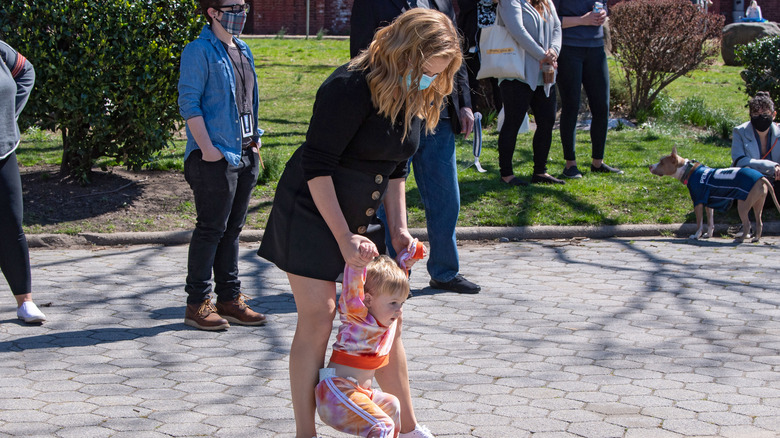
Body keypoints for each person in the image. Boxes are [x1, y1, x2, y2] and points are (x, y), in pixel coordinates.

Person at [258, 9, 462, 437]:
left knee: (388, 316)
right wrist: (343, 236)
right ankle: (304, 432)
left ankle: (408, 426)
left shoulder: (409, 91)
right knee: (319, 315)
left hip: (360, 218)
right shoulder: (349, 86)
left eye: (436, 75)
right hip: (313, 211)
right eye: (424, 70)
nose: (428, 81)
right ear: (404, 53)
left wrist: (400, 229)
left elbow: (396, 168)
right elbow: (317, 165)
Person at [351, 0, 482, 295]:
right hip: (394, 110)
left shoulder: (439, 2)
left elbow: (453, 54)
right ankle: (392, 278)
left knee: (447, 198)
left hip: (439, 114)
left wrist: (464, 103)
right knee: (389, 199)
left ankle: (445, 272)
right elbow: (362, 53)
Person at [177, 0, 266, 331]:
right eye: (232, 7)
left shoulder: (243, 49)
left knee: (233, 231)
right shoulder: (198, 51)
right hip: (215, 158)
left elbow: (249, 99)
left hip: (244, 153)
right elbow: (189, 102)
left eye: (243, 6)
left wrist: (255, 142)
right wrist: (208, 150)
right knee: (211, 229)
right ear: (212, 12)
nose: (241, 13)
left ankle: (229, 300)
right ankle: (197, 303)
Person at [316, 243, 424, 438]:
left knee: (392, 404)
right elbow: (351, 290)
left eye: (401, 303)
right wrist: (358, 264)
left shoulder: (387, 322)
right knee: (383, 426)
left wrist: (406, 263)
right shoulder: (357, 316)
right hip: (335, 391)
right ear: (367, 300)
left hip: (358, 393)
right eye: (393, 304)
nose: (398, 310)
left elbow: (394, 285)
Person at [0, 40, 46, 324]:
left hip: (2, 151)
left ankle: (25, 302)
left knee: (10, 224)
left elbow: (25, 71)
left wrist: (8, 119)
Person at [496, 0, 564, 186]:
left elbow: (557, 27)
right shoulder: (510, 1)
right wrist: (543, 55)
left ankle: (540, 172)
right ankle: (506, 174)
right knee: (513, 122)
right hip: (518, 73)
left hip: (545, 73)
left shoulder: (545, 1)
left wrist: (554, 51)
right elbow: (518, 31)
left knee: (547, 120)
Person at [553, 0, 624, 179]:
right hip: (569, 49)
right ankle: (570, 165)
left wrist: (603, 14)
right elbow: (550, 19)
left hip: (596, 49)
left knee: (602, 106)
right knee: (571, 106)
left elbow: (603, 7)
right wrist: (581, 20)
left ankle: (597, 162)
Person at [457, 0, 503, 115]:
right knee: (472, 81)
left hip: (497, 41)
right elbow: (464, 6)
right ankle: (470, 118)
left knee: (499, 82)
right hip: (473, 41)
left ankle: (504, 118)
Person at [731, 92, 780, 192]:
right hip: (751, 181)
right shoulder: (739, 131)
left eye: (765, 114)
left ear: (774, 115)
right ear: (750, 115)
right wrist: (772, 166)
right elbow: (739, 161)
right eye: (756, 114)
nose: (761, 117)